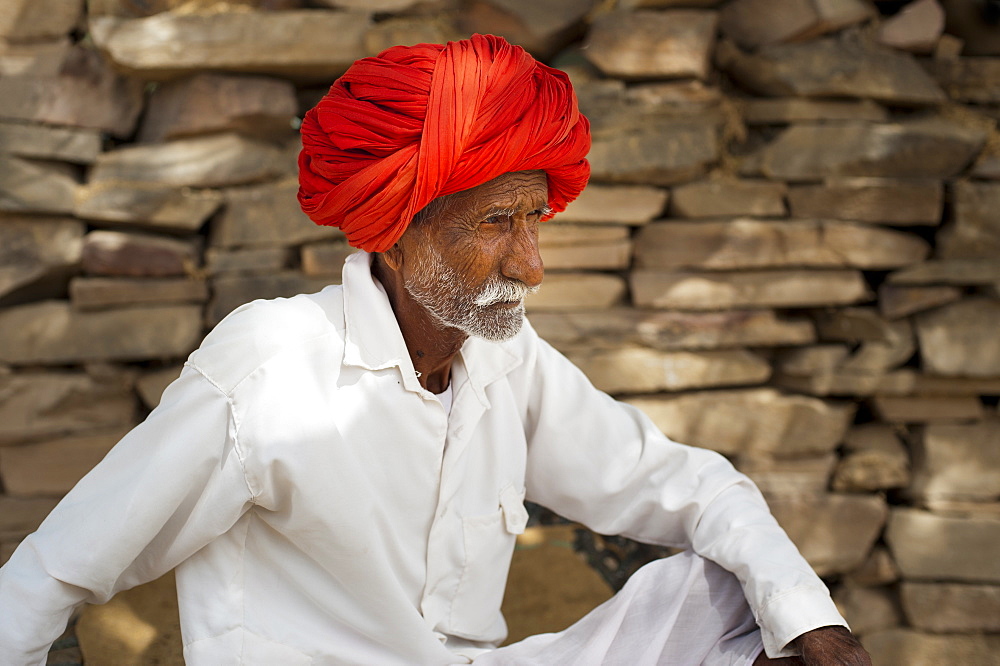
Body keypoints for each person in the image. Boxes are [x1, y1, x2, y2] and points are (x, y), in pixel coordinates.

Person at [0, 35, 871, 665]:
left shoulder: (501, 353)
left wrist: (812, 623)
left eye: (536, 219)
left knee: (731, 594)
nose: (532, 265)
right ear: (394, 231)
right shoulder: (270, 367)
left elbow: (686, 486)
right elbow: (57, 567)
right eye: (498, 222)